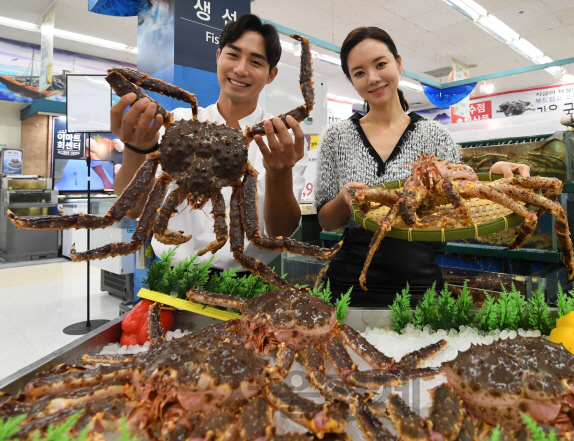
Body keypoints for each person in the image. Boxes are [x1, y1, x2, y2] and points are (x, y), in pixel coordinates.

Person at [315, 26, 529, 307]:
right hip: (347, 285)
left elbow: (463, 201)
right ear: (351, 80)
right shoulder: (336, 136)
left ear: (399, 63)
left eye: (381, 64)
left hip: (419, 284)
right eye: (359, 72)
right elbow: (326, 221)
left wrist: (493, 173)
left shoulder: (435, 135)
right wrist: (344, 199)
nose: (373, 78)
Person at [111, 14, 306, 270]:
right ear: (218, 57)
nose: (240, 69)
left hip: (246, 279)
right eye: (233, 55)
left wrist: (280, 174)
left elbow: (282, 232)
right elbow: (132, 210)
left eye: (256, 61)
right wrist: (135, 149)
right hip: (170, 275)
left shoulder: (279, 138)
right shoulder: (177, 124)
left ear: (271, 75)